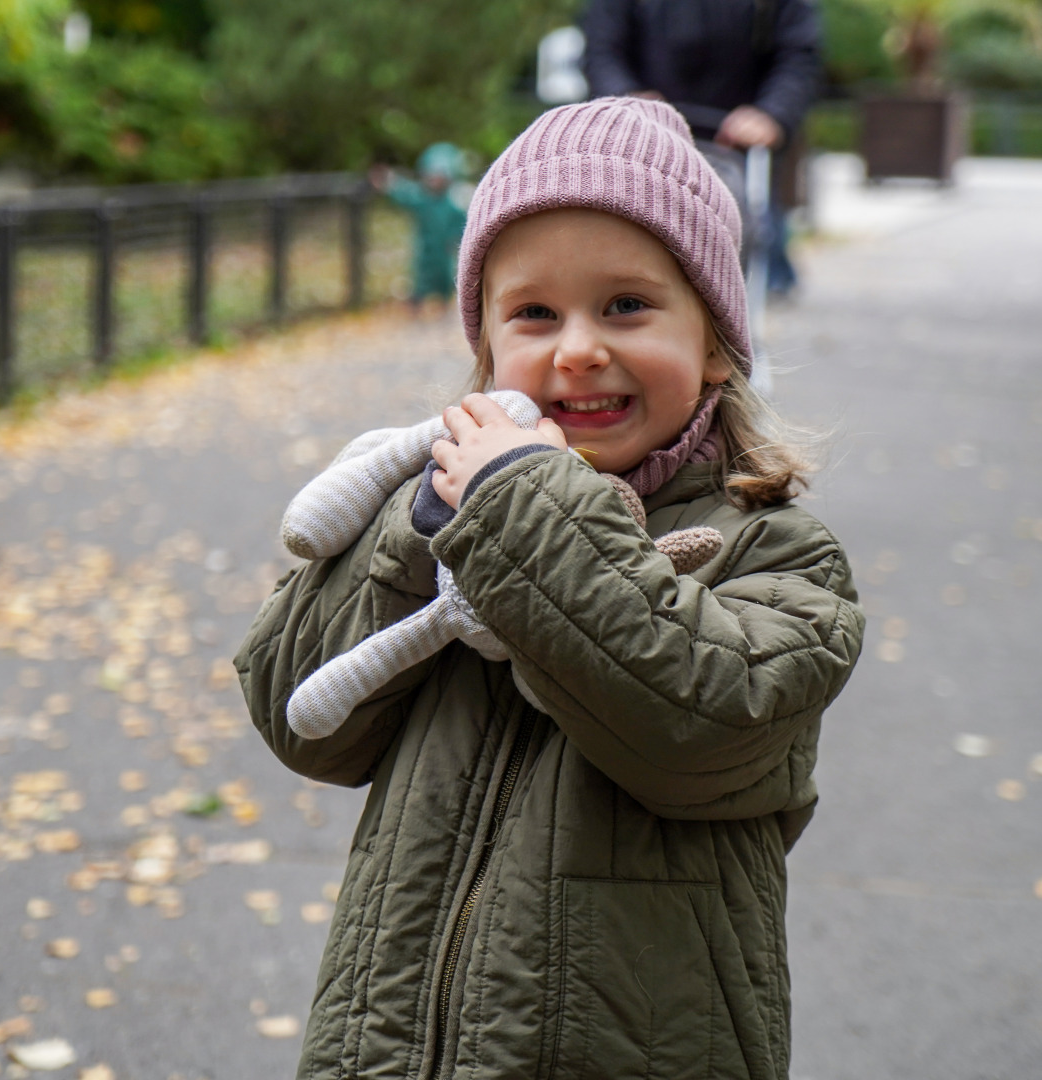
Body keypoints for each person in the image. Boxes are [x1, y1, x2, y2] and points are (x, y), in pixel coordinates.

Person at [235, 98, 863, 1079]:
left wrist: (525, 511)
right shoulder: (439, 516)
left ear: (714, 342)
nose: (577, 347)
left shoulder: (779, 556)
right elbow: (298, 712)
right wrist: (416, 534)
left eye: (626, 306)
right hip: (391, 1049)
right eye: (534, 313)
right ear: (486, 350)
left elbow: (702, 722)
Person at [581, 0, 822, 299]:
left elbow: (798, 55)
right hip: (644, 144)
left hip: (738, 149)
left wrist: (772, 114)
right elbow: (602, 48)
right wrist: (627, 99)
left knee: (752, 240)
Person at [370, 142, 469, 312]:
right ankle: (415, 309)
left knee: (445, 281)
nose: (435, 180)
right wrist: (388, 182)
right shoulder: (421, 199)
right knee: (420, 282)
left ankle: (444, 310)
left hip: (444, 252)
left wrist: (456, 241)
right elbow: (403, 192)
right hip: (425, 250)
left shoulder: (453, 204)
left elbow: (461, 225)